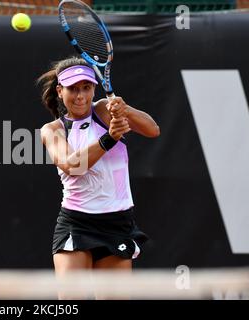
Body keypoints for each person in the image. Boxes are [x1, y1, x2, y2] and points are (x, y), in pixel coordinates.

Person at [37, 56, 160, 299]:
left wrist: (125, 109)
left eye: (86, 88)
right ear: (60, 91)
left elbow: (152, 130)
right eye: (73, 89)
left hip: (117, 223)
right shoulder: (52, 130)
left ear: (94, 88)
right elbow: (72, 165)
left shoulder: (104, 110)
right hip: (76, 223)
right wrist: (109, 139)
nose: (80, 95)